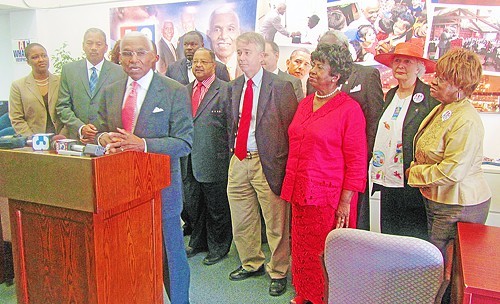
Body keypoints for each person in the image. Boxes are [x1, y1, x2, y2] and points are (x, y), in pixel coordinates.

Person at [95, 31, 193, 304]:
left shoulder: (174, 91)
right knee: (128, 256)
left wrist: (144, 144)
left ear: (154, 58)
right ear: (119, 57)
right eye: (127, 53)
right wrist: (102, 138)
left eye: (140, 53)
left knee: (170, 257)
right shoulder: (111, 91)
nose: (133, 59)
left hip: (162, 191)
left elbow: (184, 143)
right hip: (120, 191)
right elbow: (102, 131)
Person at [281, 43, 367, 304]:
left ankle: (324, 298)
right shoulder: (306, 103)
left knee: (325, 252)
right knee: (302, 248)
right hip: (300, 190)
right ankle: (305, 293)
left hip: (328, 197)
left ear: (336, 76)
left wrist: (345, 202)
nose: (313, 71)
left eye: (319, 67)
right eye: (313, 65)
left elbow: (356, 160)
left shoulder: (349, 109)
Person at [227, 32, 297, 297]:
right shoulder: (234, 87)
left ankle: (278, 270)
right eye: (240, 52)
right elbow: (231, 126)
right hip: (239, 160)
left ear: (261, 55)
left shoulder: (280, 87)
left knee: (276, 222)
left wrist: (284, 165)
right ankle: (251, 262)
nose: (242, 57)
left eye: (247, 53)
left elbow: (290, 130)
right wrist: (233, 152)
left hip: (268, 163)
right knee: (242, 218)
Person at [407, 48, 491, 255]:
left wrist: (414, 173)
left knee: (446, 266)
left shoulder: (465, 120)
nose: (433, 81)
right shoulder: (444, 108)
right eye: (437, 76)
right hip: (439, 200)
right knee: (436, 260)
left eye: (442, 79)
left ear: (460, 87)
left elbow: (452, 171)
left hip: (457, 205)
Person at [311, 30, 385, 230]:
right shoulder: (317, 78)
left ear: (344, 49)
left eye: (330, 48)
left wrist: (363, 160)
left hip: (354, 163)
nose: (324, 52)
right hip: (323, 167)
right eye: (321, 48)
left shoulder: (367, 75)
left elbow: (375, 120)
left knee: (351, 218)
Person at [371, 40, 439, 239]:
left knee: (412, 235)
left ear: (419, 68)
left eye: (407, 62)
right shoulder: (391, 94)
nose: (400, 65)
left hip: (412, 180)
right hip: (388, 178)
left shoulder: (429, 97)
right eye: (397, 60)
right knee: (389, 233)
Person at [182, 48, 232, 266]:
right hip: (189, 159)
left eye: (204, 61)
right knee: (195, 204)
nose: (198, 65)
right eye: (195, 62)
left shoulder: (225, 90)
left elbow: (232, 128)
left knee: (217, 207)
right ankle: (199, 241)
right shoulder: (183, 90)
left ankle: (219, 246)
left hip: (215, 158)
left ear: (214, 65)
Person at [56, 28, 125, 142]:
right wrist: (80, 127)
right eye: (89, 43)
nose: (93, 48)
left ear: (106, 47)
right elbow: (62, 106)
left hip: (108, 140)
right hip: (76, 139)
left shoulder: (120, 73)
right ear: (83, 46)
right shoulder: (69, 71)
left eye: (98, 44)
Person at [9, 43, 64, 137]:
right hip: (32, 143)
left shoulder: (61, 81)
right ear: (28, 62)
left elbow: (71, 110)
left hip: (62, 139)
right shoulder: (18, 86)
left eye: (44, 56)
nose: (41, 60)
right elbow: (16, 119)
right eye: (35, 57)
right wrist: (34, 139)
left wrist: (63, 135)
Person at [207, 6, 242, 80]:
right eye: (217, 30)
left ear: (239, 33)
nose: (223, 36)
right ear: (209, 33)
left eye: (230, 29)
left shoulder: (251, 66)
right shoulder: (203, 69)